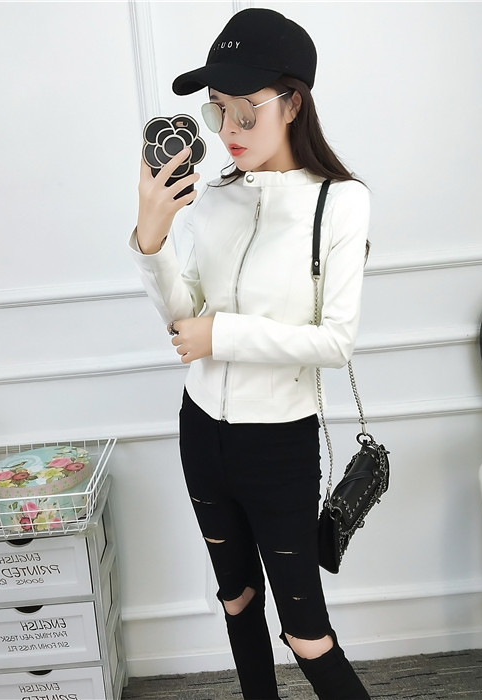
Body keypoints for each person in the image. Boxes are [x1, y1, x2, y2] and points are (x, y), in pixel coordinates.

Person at [129, 8, 372, 700]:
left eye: (246, 112)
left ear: (292, 103)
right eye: (216, 112)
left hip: (278, 447)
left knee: (306, 635)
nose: (228, 131)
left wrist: (223, 335)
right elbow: (183, 319)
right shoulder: (214, 200)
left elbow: (335, 341)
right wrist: (151, 239)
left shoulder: (340, 203)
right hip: (201, 431)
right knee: (236, 599)